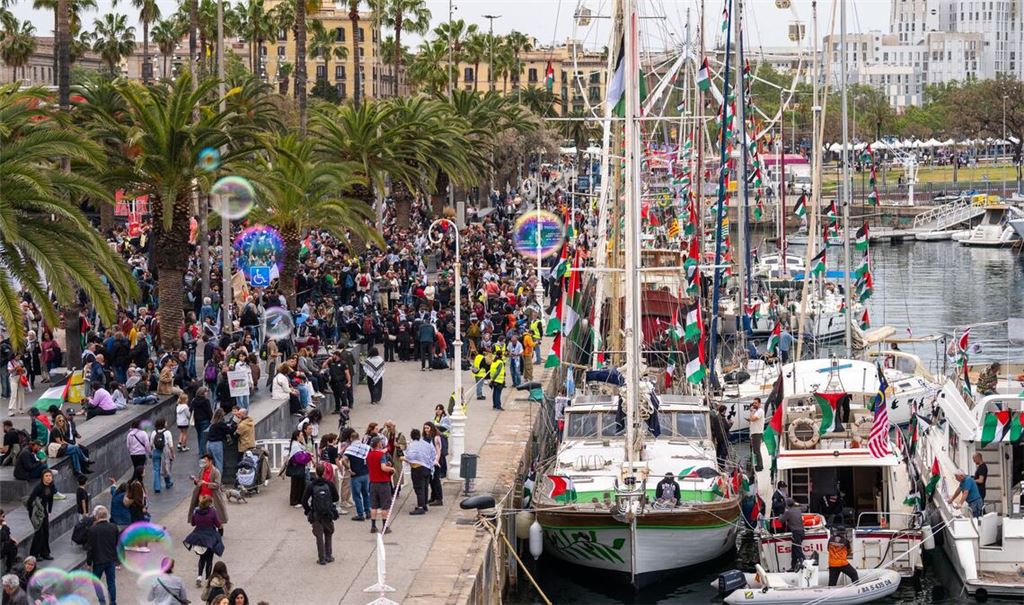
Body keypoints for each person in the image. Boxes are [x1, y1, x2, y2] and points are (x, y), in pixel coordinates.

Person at [302, 462, 339, 565]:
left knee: (319, 536)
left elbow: (304, 500)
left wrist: (308, 510)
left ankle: (321, 558)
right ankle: (329, 555)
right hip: (328, 512)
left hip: (316, 513)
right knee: (328, 533)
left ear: (316, 473)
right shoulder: (329, 484)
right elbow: (336, 498)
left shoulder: (311, 485)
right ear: (324, 472)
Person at [184, 494, 224, 587]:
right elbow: (218, 524)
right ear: (209, 503)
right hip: (210, 537)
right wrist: (220, 526)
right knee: (209, 559)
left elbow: (193, 523)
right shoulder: (212, 512)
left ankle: (199, 577)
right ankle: (207, 579)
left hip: (198, 537)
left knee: (202, 558)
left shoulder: (196, 511)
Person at [85, 505, 120, 605]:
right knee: (111, 583)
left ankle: (102, 602)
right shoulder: (114, 527)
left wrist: (88, 563)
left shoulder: (93, 530)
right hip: (110, 559)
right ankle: (113, 602)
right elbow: (116, 543)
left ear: (96, 516)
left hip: (98, 560)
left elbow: (90, 549)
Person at [25, 469, 55, 560]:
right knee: (39, 533)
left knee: (46, 532)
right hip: (35, 512)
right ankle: (34, 554)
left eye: (50, 476)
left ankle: (45, 553)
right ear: (42, 478)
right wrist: (32, 513)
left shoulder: (51, 486)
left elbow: (50, 499)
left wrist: (49, 511)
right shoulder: (38, 488)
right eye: (46, 476)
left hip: (44, 512)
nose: (48, 477)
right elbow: (30, 501)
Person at [403, 429, 435, 515]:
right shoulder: (426, 444)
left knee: (418, 488)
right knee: (425, 487)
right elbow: (433, 453)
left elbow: (409, 456)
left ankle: (420, 507)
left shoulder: (412, 445)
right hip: (427, 468)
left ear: (411, 436)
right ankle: (424, 505)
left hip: (418, 468)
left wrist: (404, 458)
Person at [366, 436, 394, 534]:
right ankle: (385, 526)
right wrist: (391, 469)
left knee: (374, 506)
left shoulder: (368, 455)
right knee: (384, 506)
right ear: (378, 444)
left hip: (373, 482)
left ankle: (373, 526)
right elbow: (383, 468)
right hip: (383, 482)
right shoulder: (381, 455)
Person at [344, 432, 371, 522]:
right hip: (366, 473)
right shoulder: (366, 447)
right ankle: (368, 512)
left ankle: (360, 514)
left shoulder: (350, 449)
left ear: (351, 439)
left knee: (356, 495)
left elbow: (344, 460)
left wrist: (348, 469)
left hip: (355, 475)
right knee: (366, 494)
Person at [780, 498, 806, 571]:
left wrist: (780, 515)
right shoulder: (798, 509)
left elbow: (781, 520)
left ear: (787, 505)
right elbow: (805, 507)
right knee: (794, 549)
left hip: (796, 533)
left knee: (797, 549)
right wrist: (798, 504)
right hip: (802, 532)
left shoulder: (788, 512)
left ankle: (804, 562)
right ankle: (793, 566)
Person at [423, 423, 444, 506]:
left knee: (436, 480)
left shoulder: (436, 438)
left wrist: (436, 461)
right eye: (425, 428)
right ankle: (433, 497)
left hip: (435, 462)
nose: (426, 430)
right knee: (431, 480)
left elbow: (438, 451)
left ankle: (439, 498)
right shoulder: (426, 438)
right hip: (429, 461)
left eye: (427, 428)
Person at [151, 418, 175, 493]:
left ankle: (157, 487)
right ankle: (168, 483)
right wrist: (173, 453)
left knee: (156, 469)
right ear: (163, 424)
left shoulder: (153, 432)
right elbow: (171, 445)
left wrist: (151, 452)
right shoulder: (167, 432)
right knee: (166, 467)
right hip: (165, 452)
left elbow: (151, 444)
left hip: (155, 452)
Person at [206, 409, 233, 474]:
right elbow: (230, 431)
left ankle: (210, 479)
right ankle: (218, 481)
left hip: (208, 444)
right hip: (216, 444)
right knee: (218, 463)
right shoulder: (221, 424)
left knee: (210, 464)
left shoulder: (213, 423)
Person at [190, 387, 214, 457]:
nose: (207, 393)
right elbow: (209, 411)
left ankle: (200, 450)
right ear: (203, 393)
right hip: (205, 420)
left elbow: (191, 409)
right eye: (206, 392)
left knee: (199, 435)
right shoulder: (206, 401)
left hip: (197, 421)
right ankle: (203, 453)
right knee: (203, 437)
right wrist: (212, 420)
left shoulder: (194, 400)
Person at [747, 398, 765, 472]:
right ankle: (758, 464)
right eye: (753, 403)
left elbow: (753, 419)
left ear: (759, 404)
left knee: (757, 450)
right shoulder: (756, 411)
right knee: (755, 450)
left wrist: (751, 411)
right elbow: (752, 419)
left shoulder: (760, 411)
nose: (754, 404)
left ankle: (760, 466)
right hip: (754, 432)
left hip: (757, 432)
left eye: (755, 403)